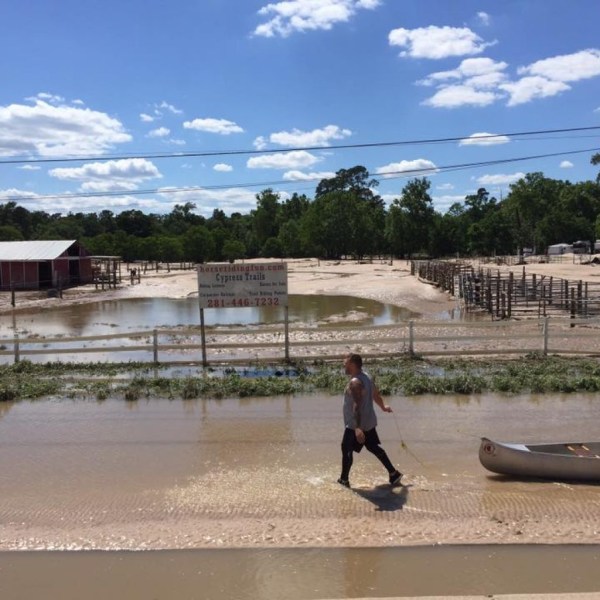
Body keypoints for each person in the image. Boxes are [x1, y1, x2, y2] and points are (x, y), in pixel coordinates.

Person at [338, 353, 403, 488]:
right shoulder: (366, 377)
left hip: (356, 423)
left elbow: (357, 405)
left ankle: (344, 480)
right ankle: (393, 473)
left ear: (353, 364)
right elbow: (375, 394)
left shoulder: (355, 382)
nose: (344, 365)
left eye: (346, 362)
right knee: (372, 446)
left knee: (346, 448)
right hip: (369, 421)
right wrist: (383, 407)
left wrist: (357, 428)